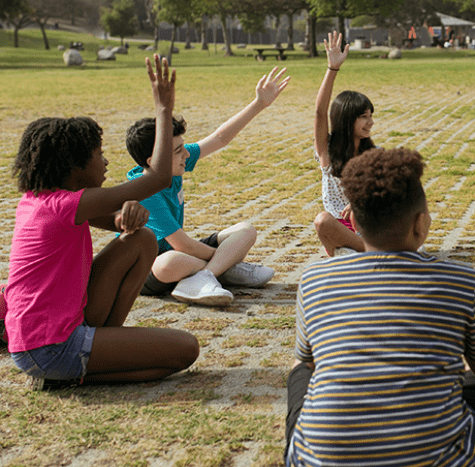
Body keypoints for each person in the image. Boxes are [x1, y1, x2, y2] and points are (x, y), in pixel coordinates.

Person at [285, 148, 475, 467]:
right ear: (420, 224)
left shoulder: (314, 279)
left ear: (351, 221)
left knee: (299, 366)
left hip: (320, 461)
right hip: (444, 460)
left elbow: (309, 362)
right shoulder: (460, 280)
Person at [5, 55, 199, 391]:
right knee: (185, 350)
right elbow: (157, 179)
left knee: (141, 241)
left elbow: (119, 222)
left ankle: (99, 349)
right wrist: (163, 110)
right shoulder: (69, 203)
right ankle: (70, 375)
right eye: (99, 154)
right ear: (75, 167)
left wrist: (131, 217)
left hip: (41, 338)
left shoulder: (42, 200)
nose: (106, 161)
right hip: (50, 345)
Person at [125, 66, 289, 306]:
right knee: (169, 262)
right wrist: (229, 258)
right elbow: (181, 245)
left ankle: (205, 276)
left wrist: (258, 104)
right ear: (154, 161)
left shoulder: (173, 164)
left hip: (184, 254)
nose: (185, 155)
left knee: (245, 230)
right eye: (178, 151)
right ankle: (222, 271)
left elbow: (220, 138)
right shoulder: (144, 190)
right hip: (150, 268)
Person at [312, 31, 375, 256]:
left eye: (370, 116)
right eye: (364, 117)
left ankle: (358, 252)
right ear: (347, 120)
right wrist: (332, 69)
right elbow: (320, 113)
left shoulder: (372, 153)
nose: (371, 123)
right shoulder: (327, 152)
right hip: (341, 228)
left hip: (370, 226)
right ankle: (372, 253)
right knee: (322, 220)